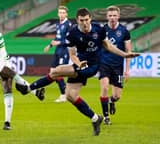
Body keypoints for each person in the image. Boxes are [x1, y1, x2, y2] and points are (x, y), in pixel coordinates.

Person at [16, 8, 139, 136]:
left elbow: (107, 45)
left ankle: (29, 89)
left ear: (90, 18)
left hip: (93, 66)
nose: (85, 23)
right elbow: (72, 55)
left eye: (86, 20)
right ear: (77, 20)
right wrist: (79, 63)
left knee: (57, 71)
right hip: (80, 64)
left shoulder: (99, 29)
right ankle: (95, 118)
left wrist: (124, 55)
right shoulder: (72, 33)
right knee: (70, 96)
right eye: (82, 21)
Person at [0, 29, 45, 130]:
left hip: (2, 62)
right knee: (8, 74)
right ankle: (33, 91)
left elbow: (2, 60)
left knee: (7, 88)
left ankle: (7, 123)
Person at [99, 5, 132, 125]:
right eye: (110, 16)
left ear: (118, 16)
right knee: (104, 88)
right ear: (107, 17)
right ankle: (106, 117)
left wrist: (127, 70)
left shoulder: (124, 31)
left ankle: (111, 101)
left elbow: (128, 52)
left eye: (114, 15)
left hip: (118, 66)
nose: (112, 18)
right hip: (104, 64)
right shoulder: (102, 31)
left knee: (117, 96)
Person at [44, 5, 72, 103]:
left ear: (66, 14)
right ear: (58, 14)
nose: (61, 14)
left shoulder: (69, 24)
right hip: (57, 50)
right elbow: (57, 38)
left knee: (58, 72)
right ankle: (64, 92)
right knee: (52, 72)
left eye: (63, 13)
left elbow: (70, 40)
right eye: (60, 12)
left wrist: (59, 43)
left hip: (64, 51)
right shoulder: (58, 24)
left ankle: (64, 95)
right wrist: (50, 45)